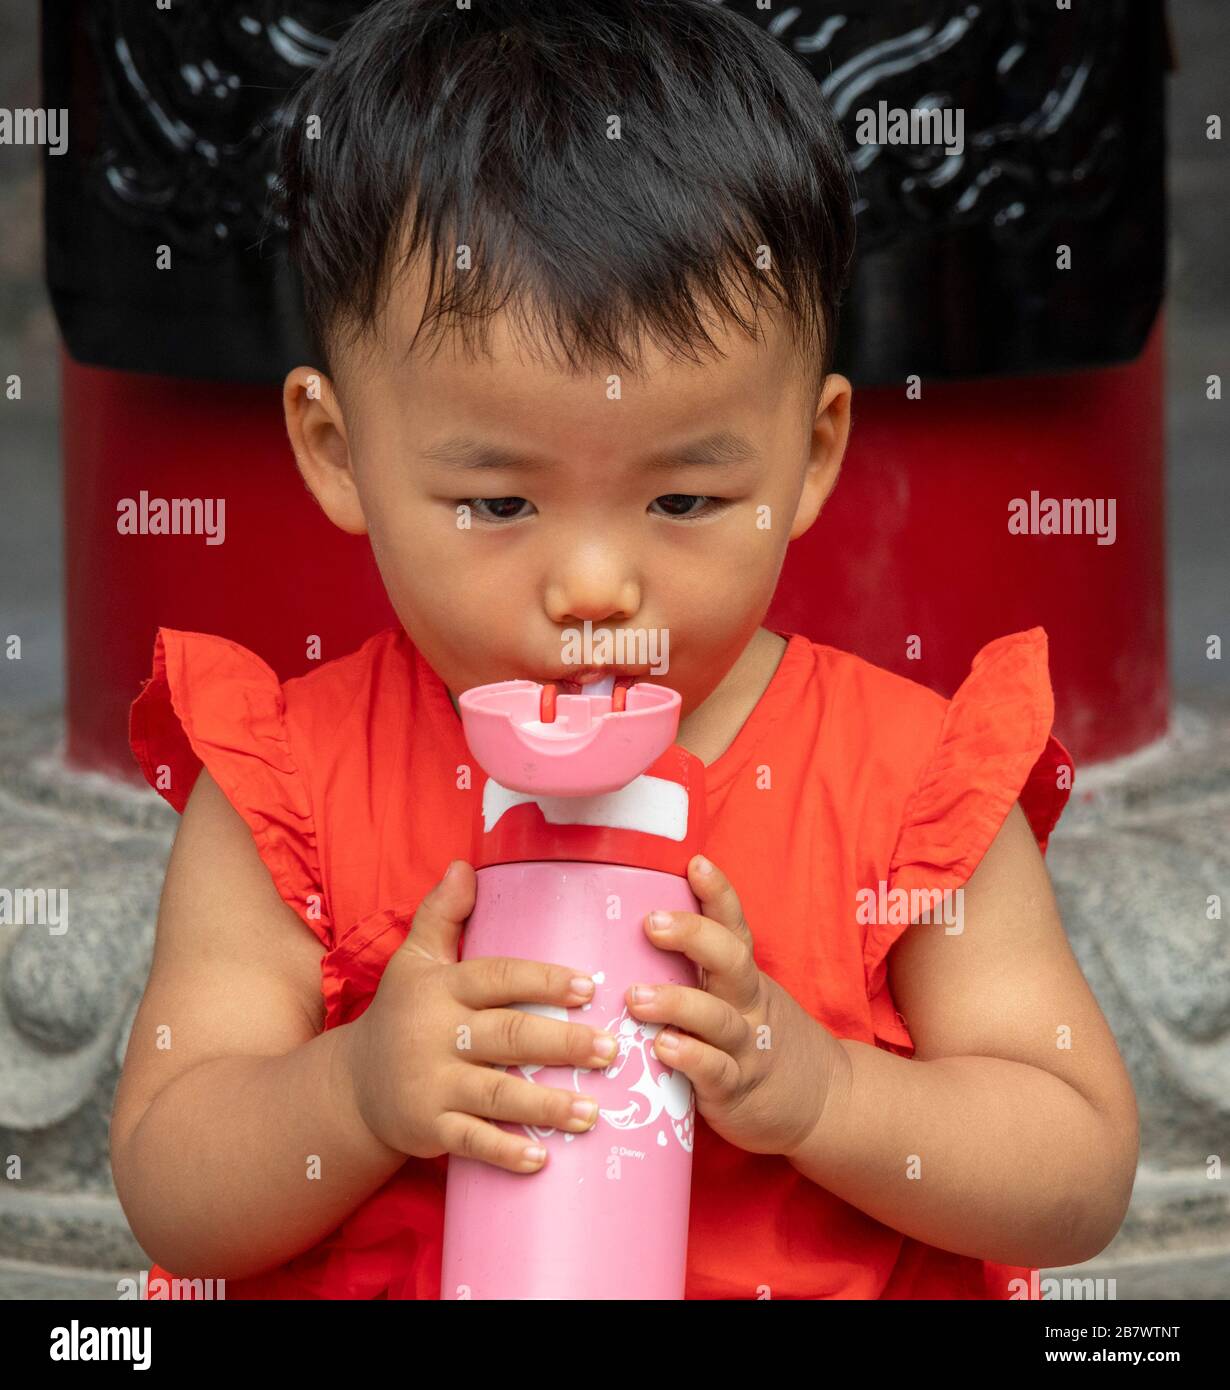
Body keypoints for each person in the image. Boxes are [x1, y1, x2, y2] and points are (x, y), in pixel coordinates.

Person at [111, 0, 1139, 1300]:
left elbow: (1078, 1165)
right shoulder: (290, 785)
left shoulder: (903, 784)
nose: (594, 584)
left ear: (808, 454)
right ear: (336, 450)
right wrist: (356, 1089)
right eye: (497, 503)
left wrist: (822, 1094)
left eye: (682, 501)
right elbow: (168, 1178)